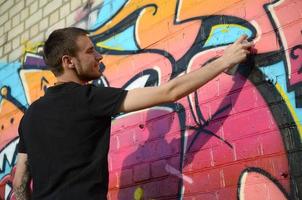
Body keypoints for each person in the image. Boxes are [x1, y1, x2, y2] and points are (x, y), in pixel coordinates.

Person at [12, 27, 253, 200]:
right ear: (69, 61)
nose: (99, 56)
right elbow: (170, 91)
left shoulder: (30, 116)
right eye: (89, 51)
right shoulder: (89, 99)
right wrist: (225, 61)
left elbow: (20, 179)